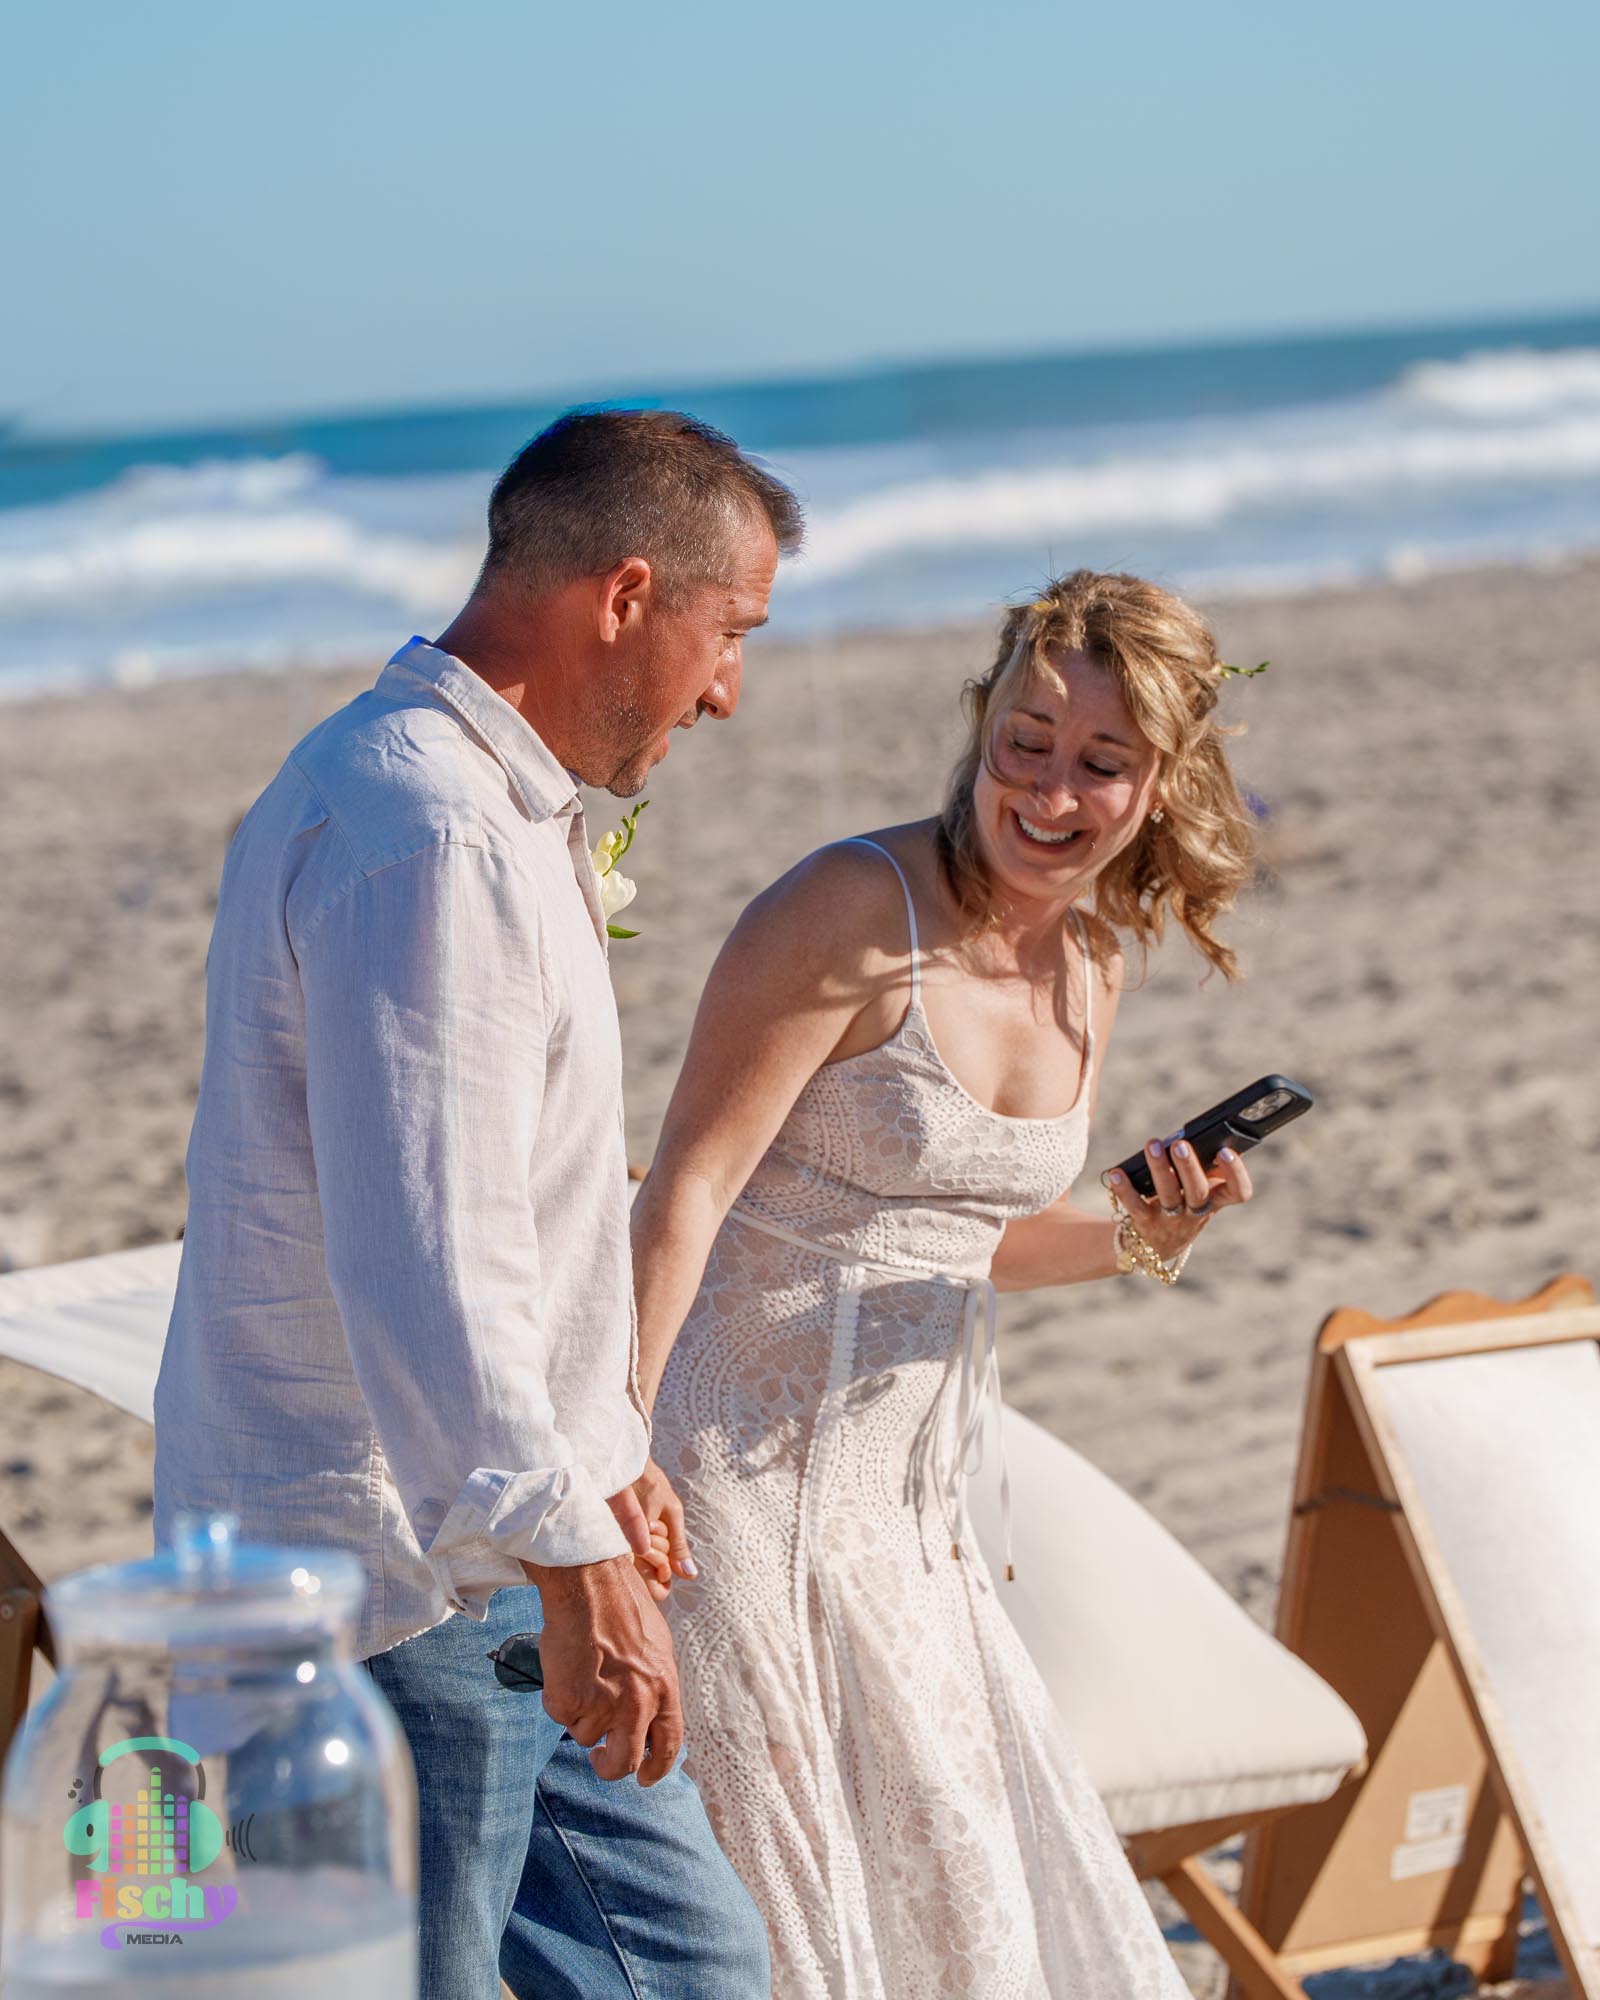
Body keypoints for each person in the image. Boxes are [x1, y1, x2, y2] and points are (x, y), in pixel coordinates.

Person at [153, 408, 802, 1999]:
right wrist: (564, 1547)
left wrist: (602, 1455)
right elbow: (425, 1250)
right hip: (399, 1571)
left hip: (487, 1538)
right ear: (627, 595)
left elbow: (496, 1205)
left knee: (692, 1966)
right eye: (731, 635)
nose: (729, 688)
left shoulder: (440, 795)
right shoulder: (427, 835)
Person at [626, 569, 1260, 1996]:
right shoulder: (851, 909)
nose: (1050, 791)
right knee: (792, 1912)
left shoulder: (1094, 963)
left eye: (1100, 763)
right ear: (981, 725)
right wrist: (615, 1457)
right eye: (1025, 743)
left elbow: (963, 1247)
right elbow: (686, 1189)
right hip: (729, 1494)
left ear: (1161, 784)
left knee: (955, 1898)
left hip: (910, 1529)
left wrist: (1151, 1234)